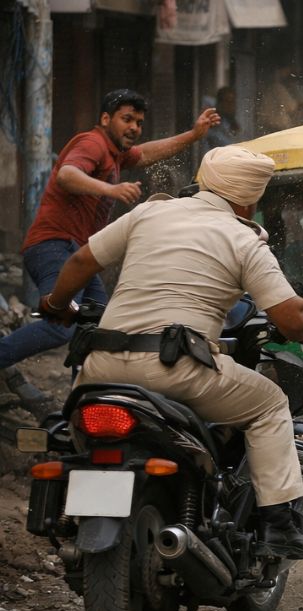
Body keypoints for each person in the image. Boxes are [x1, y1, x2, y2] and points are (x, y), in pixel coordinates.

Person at [38, 146, 303, 559]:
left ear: (203, 181)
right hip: (176, 369)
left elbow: (82, 260)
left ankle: (68, 508)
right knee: (269, 404)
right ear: (249, 199)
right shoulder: (244, 239)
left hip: (99, 367)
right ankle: (278, 525)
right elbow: (291, 316)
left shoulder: (149, 213)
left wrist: (57, 305)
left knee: (67, 433)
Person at [0, 89, 219, 416]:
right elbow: (67, 175)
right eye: (126, 119)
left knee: (102, 332)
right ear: (105, 119)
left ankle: (84, 406)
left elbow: (146, 153)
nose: (134, 128)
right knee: (61, 323)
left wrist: (193, 134)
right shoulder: (92, 144)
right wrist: (111, 190)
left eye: (139, 122)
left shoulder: (115, 153)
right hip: (53, 246)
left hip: (76, 253)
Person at [199, 86, 242, 154]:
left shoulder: (231, 121)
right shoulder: (211, 121)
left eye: (233, 102)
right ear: (219, 103)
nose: (231, 105)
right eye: (227, 101)